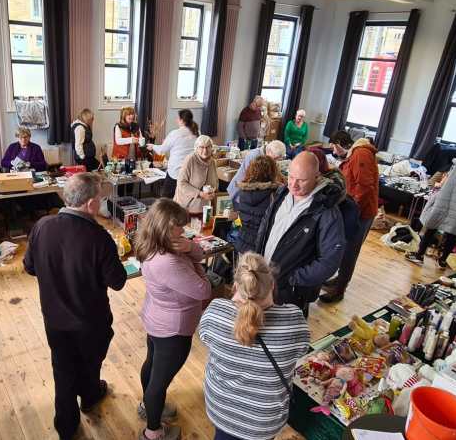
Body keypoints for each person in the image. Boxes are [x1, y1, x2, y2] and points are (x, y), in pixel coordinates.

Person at [24, 172, 127, 440]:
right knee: (90, 362)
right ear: (92, 203)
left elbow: (29, 267)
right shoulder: (100, 238)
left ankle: (67, 426)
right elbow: (117, 282)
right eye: (101, 199)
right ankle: (90, 395)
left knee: (62, 368)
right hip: (90, 322)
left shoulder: (42, 226)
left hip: (54, 319)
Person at [199, 252, 310, 440]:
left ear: (235, 286)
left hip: (221, 408)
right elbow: (302, 349)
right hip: (264, 421)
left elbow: (205, 337)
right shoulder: (294, 320)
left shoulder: (215, 311)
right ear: (272, 285)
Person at [135, 199, 211, 440]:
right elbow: (204, 290)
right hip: (173, 327)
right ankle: (153, 431)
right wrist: (198, 267)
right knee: (160, 381)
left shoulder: (154, 243)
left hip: (157, 317)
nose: (184, 230)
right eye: (180, 226)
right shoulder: (167, 261)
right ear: (167, 226)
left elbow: (197, 253)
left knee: (152, 365)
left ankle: (149, 407)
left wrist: (190, 248)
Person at [256, 152, 346, 317]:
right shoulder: (282, 193)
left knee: (287, 338)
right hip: (264, 282)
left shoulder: (327, 212)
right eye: (290, 177)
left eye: (301, 180)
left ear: (317, 177)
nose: (293, 185)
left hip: (292, 294)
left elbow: (330, 262)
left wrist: (292, 279)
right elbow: (266, 227)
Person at [320, 134, 379, 303]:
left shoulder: (361, 154)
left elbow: (364, 185)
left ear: (339, 144)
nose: (333, 150)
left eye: (333, 147)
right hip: (355, 210)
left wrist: (353, 209)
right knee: (344, 247)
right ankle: (339, 280)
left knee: (349, 251)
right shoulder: (356, 154)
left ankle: (339, 290)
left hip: (360, 213)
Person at [231, 155, 283, 255]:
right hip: (262, 246)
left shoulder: (243, 191)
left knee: (243, 270)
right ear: (272, 171)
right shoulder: (275, 194)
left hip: (242, 242)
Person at [148, 109, 199, 198]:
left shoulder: (175, 133)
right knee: (183, 199)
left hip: (175, 173)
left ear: (182, 120)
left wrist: (152, 146)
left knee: (166, 201)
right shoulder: (197, 133)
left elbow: (161, 150)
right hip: (190, 173)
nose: (176, 120)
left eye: (178, 118)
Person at [173, 135, 218, 214]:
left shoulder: (212, 162)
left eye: (208, 147)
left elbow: (215, 182)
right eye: (201, 147)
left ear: (211, 148)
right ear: (196, 148)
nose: (205, 150)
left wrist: (213, 190)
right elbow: (181, 183)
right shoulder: (190, 160)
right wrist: (200, 194)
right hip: (186, 207)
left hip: (204, 207)